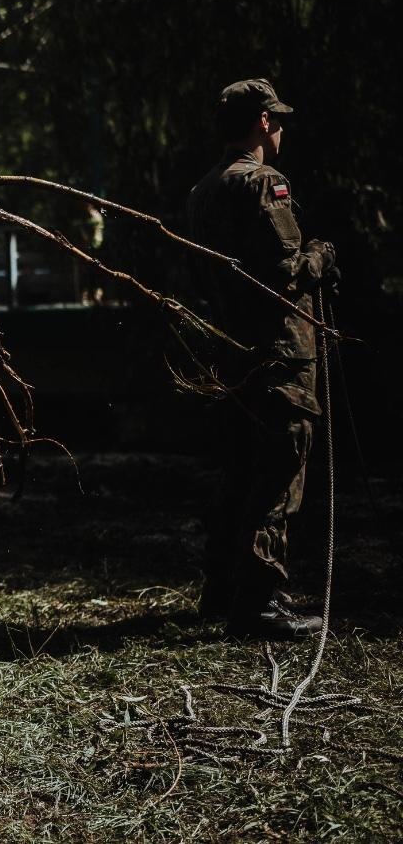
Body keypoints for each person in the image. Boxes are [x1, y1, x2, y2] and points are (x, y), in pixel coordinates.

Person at [186, 78, 336, 640]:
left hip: (230, 353)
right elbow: (282, 272)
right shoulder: (263, 183)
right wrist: (321, 256)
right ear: (264, 123)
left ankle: (221, 589)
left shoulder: (202, 190)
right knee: (279, 473)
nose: (280, 128)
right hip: (278, 355)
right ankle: (260, 603)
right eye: (276, 119)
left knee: (237, 470)